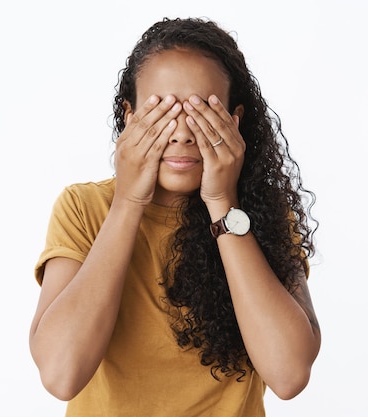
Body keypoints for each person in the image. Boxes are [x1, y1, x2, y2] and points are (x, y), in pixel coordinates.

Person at [29, 17, 321, 417]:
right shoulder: (84, 208)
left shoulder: (259, 216)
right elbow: (61, 374)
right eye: (163, 111)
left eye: (201, 111)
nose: (182, 134)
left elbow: (288, 375)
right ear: (129, 117)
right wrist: (130, 199)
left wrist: (223, 201)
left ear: (234, 122)